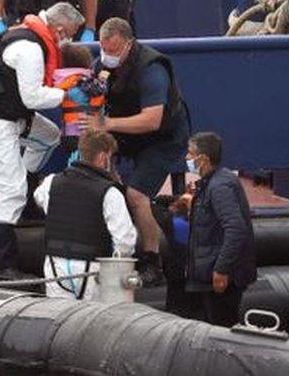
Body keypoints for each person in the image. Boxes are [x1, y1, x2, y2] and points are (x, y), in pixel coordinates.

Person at [0, 2, 85, 279]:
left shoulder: (28, 34)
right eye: (72, 34)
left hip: (12, 114)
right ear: (60, 29)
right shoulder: (30, 49)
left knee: (49, 136)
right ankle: (2, 266)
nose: (72, 40)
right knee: (11, 191)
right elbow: (32, 97)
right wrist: (67, 95)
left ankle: (26, 192)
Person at [84, 17, 190, 286]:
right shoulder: (101, 67)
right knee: (103, 177)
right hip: (126, 133)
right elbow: (95, 106)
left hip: (161, 138)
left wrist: (106, 124)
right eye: (103, 50)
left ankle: (152, 261)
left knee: (137, 194)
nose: (107, 56)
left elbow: (152, 119)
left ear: (129, 44)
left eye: (114, 51)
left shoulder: (151, 68)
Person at [33, 129, 136, 300]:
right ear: (104, 157)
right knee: (93, 324)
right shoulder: (109, 192)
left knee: (59, 323)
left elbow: (39, 199)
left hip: (54, 265)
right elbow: (125, 240)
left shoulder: (52, 181)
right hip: (91, 270)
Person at [184, 132, 256, 327]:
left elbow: (235, 228)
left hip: (221, 276)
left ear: (203, 159)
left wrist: (221, 269)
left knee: (221, 326)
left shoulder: (219, 186)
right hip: (210, 269)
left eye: (190, 154)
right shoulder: (212, 183)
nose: (187, 158)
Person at [54, 43, 107, 155]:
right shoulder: (88, 83)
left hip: (70, 134)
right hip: (91, 133)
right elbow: (100, 87)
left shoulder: (62, 82)